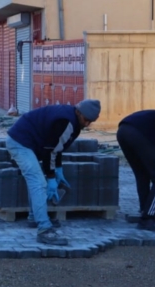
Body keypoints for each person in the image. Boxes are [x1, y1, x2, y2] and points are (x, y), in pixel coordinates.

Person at [5, 100, 101, 246]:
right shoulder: (65, 120)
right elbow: (49, 150)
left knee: (36, 181)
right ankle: (44, 229)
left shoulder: (73, 121)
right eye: (86, 120)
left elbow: (57, 147)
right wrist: (51, 177)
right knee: (39, 182)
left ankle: (33, 217)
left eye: (91, 122)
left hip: (32, 143)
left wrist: (59, 169)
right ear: (78, 112)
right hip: (20, 142)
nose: (87, 124)